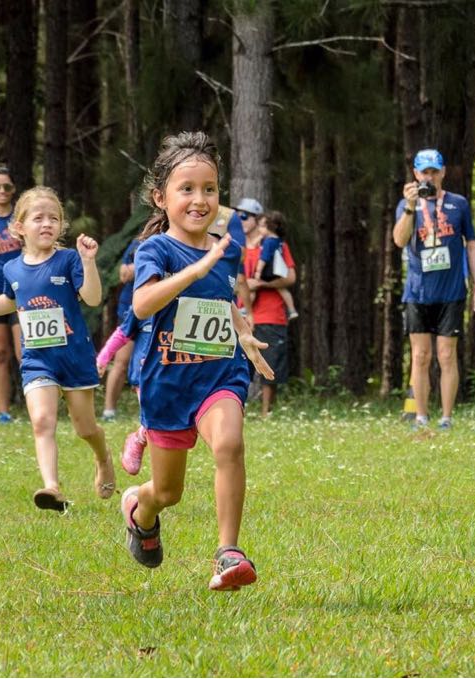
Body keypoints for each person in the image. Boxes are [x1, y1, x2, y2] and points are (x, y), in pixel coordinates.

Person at [122, 131, 273, 590]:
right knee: (168, 492)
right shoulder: (155, 250)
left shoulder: (226, 250)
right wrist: (194, 269)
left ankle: (228, 553)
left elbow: (220, 299)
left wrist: (242, 329)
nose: (200, 199)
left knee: (229, 444)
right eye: (186, 189)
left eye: (209, 189)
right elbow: (142, 304)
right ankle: (140, 508)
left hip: (218, 373)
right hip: (168, 383)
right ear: (161, 197)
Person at [0, 186, 115, 511]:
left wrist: (88, 262)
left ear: (61, 225)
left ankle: (103, 456)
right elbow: (10, 300)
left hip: (74, 357)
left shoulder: (68, 259)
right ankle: (52, 487)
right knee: (42, 421)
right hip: (37, 360)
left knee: (85, 428)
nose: (47, 223)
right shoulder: (11, 269)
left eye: (53, 218)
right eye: (38, 218)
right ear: (19, 227)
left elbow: (92, 298)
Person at [393, 148, 475, 430]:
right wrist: (410, 207)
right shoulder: (406, 205)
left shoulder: (458, 204)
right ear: (415, 174)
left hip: (451, 291)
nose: (429, 177)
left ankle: (446, 418)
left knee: (447, 355)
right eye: (425, 172)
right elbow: (399, 240)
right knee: (420, 356)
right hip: (418, 292)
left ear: (443, 172)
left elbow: (472, 244)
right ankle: (421, 417)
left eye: (434, 171)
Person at [241, 202, 295, 417]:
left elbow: (290, 278)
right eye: (238, 216)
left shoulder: (275, 245)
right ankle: (237, 409)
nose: (241, 220)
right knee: (238, 366)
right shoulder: (235, 246)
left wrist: (262, 284)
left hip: (271, 315)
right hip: (240, 315)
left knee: (270, 365)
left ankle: (266, 413)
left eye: (245, 216)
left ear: (257, 221)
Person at [96, 307, 153, 475]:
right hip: (144, 377)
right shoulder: (142, 305)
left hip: (175, 374)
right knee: (155, 420)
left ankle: (139, 436)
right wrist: (102, 358)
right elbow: (122, 333)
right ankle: (140, 440)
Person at [0, 165, 23, 422]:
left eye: (7, 186)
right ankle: (4, 413)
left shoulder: (21, 217)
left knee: (24, 352)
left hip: (21, 291)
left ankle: (38, 404)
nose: (1, 191)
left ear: (13, 189)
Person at [101, 236, 141, 421]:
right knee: (121, 361)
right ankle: (109, 411)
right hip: (130, 308)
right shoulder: (139, 241)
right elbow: (124, 274)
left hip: (162, 311)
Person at [250, 210, 298, 321]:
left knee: (253, 287)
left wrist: (258, 272)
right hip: (277, 270)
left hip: (267, 270)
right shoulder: (279, 241)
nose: (259, 229)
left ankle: (246, 308)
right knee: (282, 289)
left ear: (271, 227)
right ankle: (292, 309)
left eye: (262, 226)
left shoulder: (268, 242)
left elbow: (264, 258)